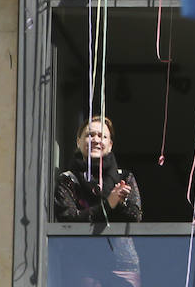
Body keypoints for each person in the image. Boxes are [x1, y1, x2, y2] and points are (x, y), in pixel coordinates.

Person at [53, 116, 142, 287]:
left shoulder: (124, 177)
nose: (96, 140)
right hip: (82, 264)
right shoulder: (68, 179)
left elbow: (135, 216)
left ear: (110, 144)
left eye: (102, 136)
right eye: (90, 135)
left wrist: (120, 202)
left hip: (123, 264)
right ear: (78, 141)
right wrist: (109, 204)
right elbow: (69, 220)